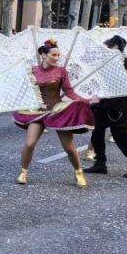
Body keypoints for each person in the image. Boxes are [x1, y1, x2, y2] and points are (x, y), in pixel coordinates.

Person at [11, 39, 98, 187]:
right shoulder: (32, 71)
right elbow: (24, 90)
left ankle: (78, 172)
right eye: (54, 55)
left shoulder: (61, 71)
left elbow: (69, 91)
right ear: (43, 55)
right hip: (37, 112)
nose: (57, 58)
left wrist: (87, 101)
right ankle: (23, 172)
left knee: (69, 147)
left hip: (57, 111)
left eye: (58, 55)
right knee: (30, 143)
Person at [87, 35, 127, 178]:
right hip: (104, 103)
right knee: (97, 133)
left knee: (120, 135)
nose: (106, 49)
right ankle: (100, 163)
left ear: (116, 47)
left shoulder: (125, 61)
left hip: (117, 105)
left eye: (109, 47)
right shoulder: (104, 61)